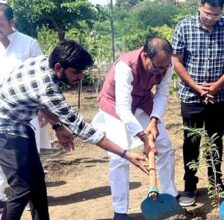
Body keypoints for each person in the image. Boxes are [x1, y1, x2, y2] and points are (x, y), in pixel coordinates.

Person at [0, 40, 148, 220]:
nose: (81, 77)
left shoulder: (41, 62)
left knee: (37, 182)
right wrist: (125, 154)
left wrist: (57, 126)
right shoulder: (47, 88)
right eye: (76, 72)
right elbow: (84, 130)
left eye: (82, 71)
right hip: (6, 130)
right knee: (23, 187)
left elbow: (37, 100)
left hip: (20, 125)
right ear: (58, 67)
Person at [92, 37, 185, 220]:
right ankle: (120, 211)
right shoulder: (125, 67)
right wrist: (143, 136)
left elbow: (162, 93)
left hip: (143, 101)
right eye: (158, 67)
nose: (162, 71)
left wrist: (154, 121)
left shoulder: (166, 65)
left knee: (164, 146)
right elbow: (123, 107)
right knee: (119, 158)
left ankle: (169, 195)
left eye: (165, 67)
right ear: (145, 56)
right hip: (115, 105)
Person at [172, 0, 224, 206]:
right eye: (207, 14)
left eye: (216, 15)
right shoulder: (184, 26)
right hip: (191, 97)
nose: (211, 18)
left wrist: (217, 86)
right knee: (191, 142)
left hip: (218, 97)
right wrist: (197, 87)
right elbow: (177, 61)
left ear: (222, 12)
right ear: (199, 6)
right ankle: (190, 186)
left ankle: (216, 183)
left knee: (215, 139)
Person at [0, 3, 51, 214]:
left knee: (29, 173)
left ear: (12, 22)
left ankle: (28, 205)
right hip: (1, 117)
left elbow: (42, 78)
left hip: (25, 116)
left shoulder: (29, 44)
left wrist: (43, 109)